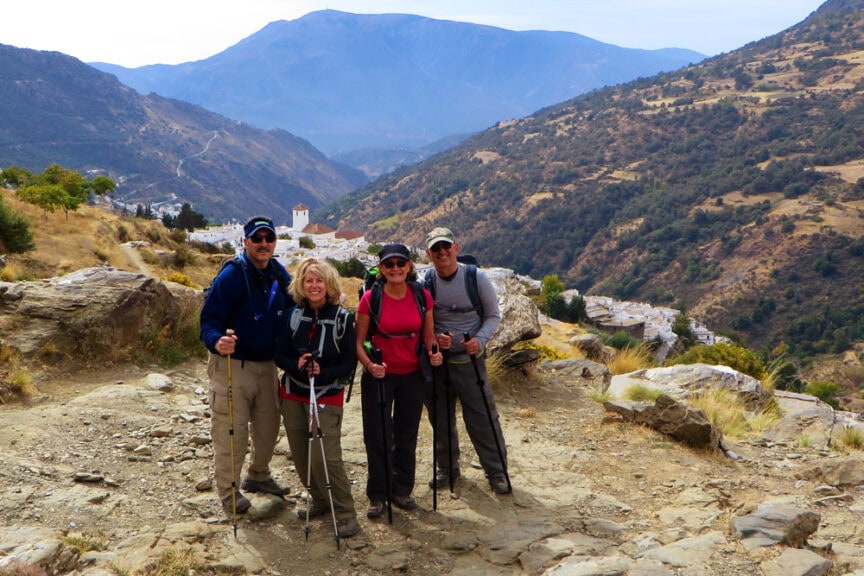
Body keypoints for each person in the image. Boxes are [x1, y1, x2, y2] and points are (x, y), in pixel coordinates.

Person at [200, 215, 293, 515]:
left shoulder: (279, 273)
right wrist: (217, 341)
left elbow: (295, 307)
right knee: (232, 431)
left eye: (269, 238)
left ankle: (259, 475)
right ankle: (229, 491)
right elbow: (209, 321)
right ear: (246, 242)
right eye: (258, 239)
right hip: (233, 365)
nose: (264, 244)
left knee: (268, 427)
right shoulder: (231, 276)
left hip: (267, 364)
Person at [274, 258, 360, 539]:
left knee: (327, 457)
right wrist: (297, 364)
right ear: (300, 284)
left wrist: (323, 372)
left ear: (329, 284)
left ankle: (345, 512)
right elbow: (280, 354)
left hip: (327, 394)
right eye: (308, 280)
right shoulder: (292, 315)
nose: (314, 286)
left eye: (319, 280)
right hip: (293, 392)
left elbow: (348, 363)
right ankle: (321, 500)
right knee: (301, 454)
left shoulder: (343, 319)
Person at [355, 243, 442, 519]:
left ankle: (401, 489)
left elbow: (428, 337)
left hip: (413, 374)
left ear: (409, 267)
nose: (395, 269)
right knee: (377, 435)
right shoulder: (370, 298)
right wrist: (370, 365)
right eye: (389, 265)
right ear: (381, 268)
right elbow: (359, 343)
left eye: (400, 264)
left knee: (406, 433)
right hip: (380, 375)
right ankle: (378, 494)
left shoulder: (422, 296)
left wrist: (434, 352)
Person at [423, 227, 511, 494]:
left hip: (469, 361)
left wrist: (479, 340)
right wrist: (437, 337)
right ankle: (447, 469)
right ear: (429, 254)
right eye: (436, 249)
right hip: (439, 360)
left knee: (482, 416)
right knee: (440, 417)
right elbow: (424, 319)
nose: (442, 252)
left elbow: (493, 316)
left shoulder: (476, 278)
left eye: (446, 247)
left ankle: (497, 471)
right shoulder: (427, 281)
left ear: (456, 248)